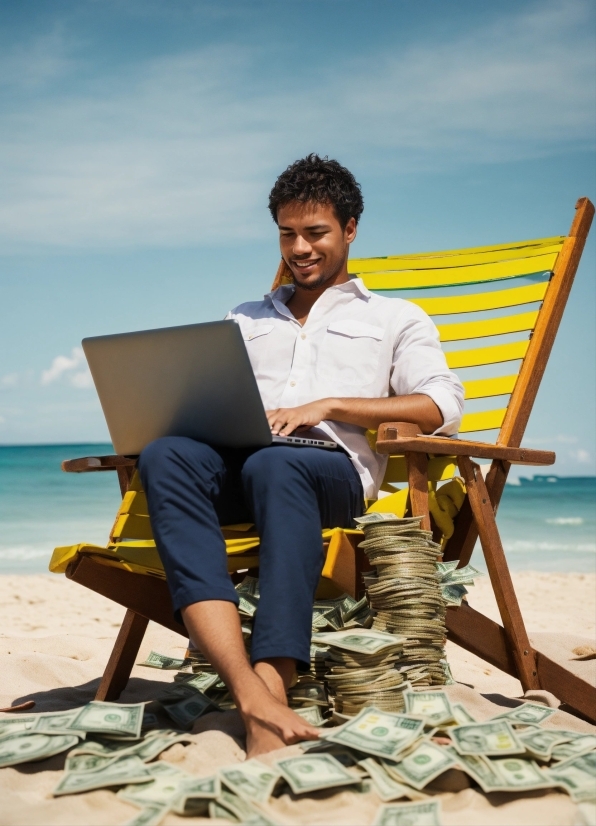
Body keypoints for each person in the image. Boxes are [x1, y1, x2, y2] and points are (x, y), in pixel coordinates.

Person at [138, 154, 464, 756]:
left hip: (328, 471)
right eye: (288, 234)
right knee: (164, 454)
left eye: (315, 233)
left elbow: (441, 406)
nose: (300, 248)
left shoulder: (394, 317)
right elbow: (209, 396)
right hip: (244, 461)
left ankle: (275, 679)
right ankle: (250, 692)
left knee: (276, 462)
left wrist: (329, 405)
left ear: (351, 229)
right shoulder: (245, 316)